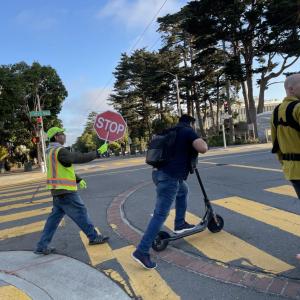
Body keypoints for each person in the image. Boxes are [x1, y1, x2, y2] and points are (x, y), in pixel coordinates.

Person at [132, 115, 208, 269]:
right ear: (191, 124)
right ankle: (142, 250)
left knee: (183, 190)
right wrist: (200, 139)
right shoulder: (187, 131)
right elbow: (203, 148)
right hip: (170, 178)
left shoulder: (172, 131)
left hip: (160, 173)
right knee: (160, 214)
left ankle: (179, 223)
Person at [34, 127, 109, 255]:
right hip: (65, 191)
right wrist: (97, 152)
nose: (64, 136)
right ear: (56, 137)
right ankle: (93, 237)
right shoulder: (60, 151)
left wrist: (78, 179)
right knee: (81, 212)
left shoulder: (50, 151)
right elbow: (78, 157)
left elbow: (63, 169)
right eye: (62, 134)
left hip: (57, 192)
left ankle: (42, 245)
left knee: (53, 221)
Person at [270, 74, 300, 259]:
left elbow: (276, 145)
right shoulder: (298, 108)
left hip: (292, 170)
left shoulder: (276, 112)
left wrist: (286, 164)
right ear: (291, 89)